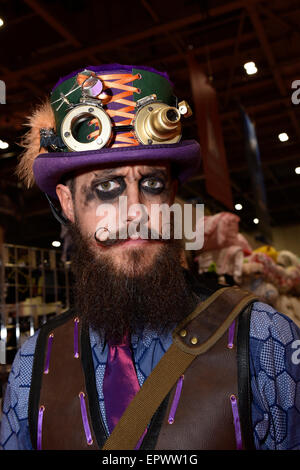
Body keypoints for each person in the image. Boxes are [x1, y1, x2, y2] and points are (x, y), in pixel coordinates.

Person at [1, 64, 300, 451]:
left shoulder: (266, 341)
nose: (135, 212)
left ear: (172, 194)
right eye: (106, 186)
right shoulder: (32, 365)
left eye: (152, 184)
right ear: (68, 203)